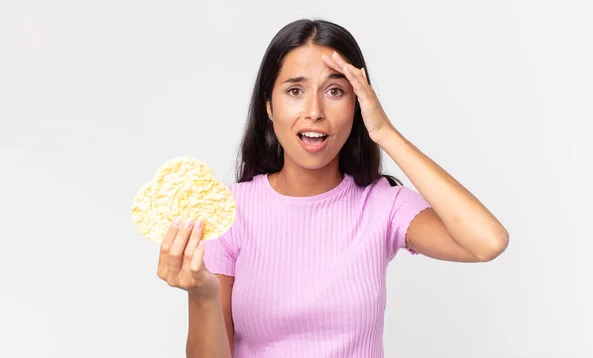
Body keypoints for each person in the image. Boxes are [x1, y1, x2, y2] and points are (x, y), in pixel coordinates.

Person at [156, 19, 509, 358]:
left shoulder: (383, 205)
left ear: (358, 104)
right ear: (269, 105)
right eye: (295, 90)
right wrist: (202, 295)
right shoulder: (229, 211)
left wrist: (384, 131)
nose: (314, 111)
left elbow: (487, 242)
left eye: (335, 91)